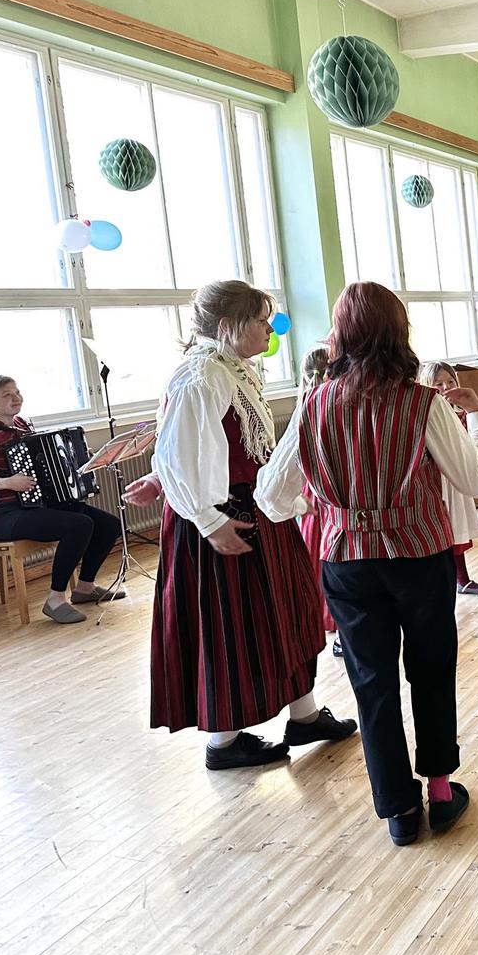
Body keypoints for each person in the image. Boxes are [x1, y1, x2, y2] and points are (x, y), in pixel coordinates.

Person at [256, 282, 478, 846]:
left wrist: (327, 504)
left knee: (372, 684)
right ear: (398, 332)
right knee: (431, 669)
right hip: (419, 556)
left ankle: (397, 811)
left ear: (340, 334)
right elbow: (476, 481)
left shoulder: (312, 404)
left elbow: (272, 497)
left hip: (347, 561)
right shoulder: (424, 404)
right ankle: (439, 791)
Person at [130, 280, 356, 769]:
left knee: (286, 612)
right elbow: (180, 451)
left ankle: (305, 714)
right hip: (225, 519)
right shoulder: (202, 374)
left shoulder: (231, 369)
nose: (268, 329)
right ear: (229, 326)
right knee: (231, 626)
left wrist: (162, 479)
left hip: (251, 509)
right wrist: (210, 522)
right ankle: (224, 744)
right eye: (261, 320)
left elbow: (196, 446)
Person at [0, 375, 123, 624]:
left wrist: (77, 460)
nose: (16, 397)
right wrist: (8, 483)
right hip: (4, 514)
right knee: (79, 524)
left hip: (34, 506)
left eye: (17, 391)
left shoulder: (22, 425)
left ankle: (85, 587)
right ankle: (55, 599)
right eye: (6, 395)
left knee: (108, 523)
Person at [419, 361, 478, 596]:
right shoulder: (432, 414)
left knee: (457, 531)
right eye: (438, 384)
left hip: (458, 482)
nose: (445, 387)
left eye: (450, 382)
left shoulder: (459, 413)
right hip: (441, 483)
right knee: (447, 531)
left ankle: (462, 579)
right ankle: (455, 581)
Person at [292, 347, 340, 655]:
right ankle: (341, 632)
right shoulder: (329, 404)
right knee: (334, 561)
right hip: (331, 494)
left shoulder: (304, 405)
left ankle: (323, 627)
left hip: (310, 495)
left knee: (319, 563)